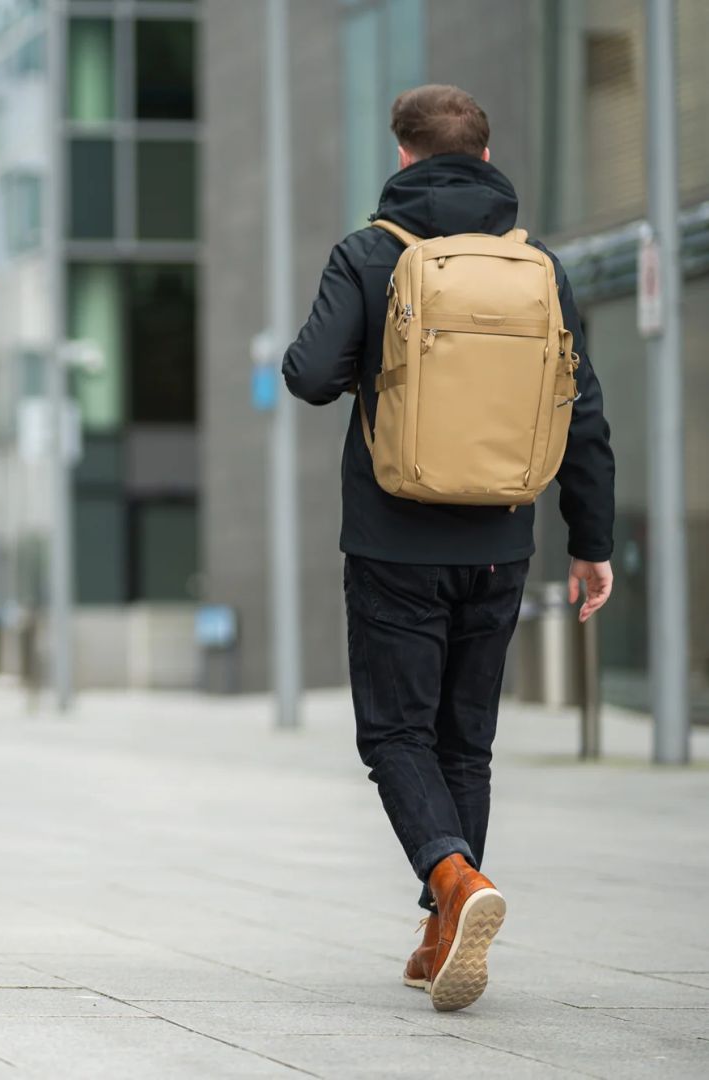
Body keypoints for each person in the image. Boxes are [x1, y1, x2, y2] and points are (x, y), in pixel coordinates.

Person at [282, 85, 615, 1011]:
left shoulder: (370, 253)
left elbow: (307, 374)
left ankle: (455, 883)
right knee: (465, 741)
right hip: (503, 537)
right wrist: (591, 541)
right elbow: (580, 409)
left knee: (393, 732)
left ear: (402, 158)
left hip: (394, 533)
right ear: (484, 154)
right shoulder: (535, 264)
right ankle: (441, 939)